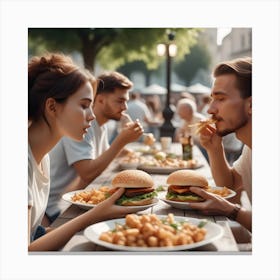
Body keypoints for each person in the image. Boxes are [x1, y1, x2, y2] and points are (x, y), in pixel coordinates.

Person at [28, 53, 136, 251]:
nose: (92, 116)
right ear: (52, 106)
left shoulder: (43, 158)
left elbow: (34, 235)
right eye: (84, 105)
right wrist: (95, 215)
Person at [46, 71, 143, 223]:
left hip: (74, 201)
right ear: (100, 100)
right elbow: (88, 172)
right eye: (119, 101)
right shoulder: (82, 125)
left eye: (126, 102)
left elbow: (105, 155)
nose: (125, 107)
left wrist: (130, 149)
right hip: (55, 208)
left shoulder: (101, 126)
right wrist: (122, 140)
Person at [188, 57, 252, 232]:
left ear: (252, 104)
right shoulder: (250, 150)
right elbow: (230, 185)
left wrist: (232, 211)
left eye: (221, 99)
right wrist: (215, 149)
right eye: (212, 99)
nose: (210, 109)